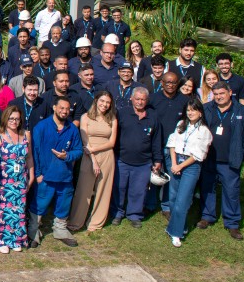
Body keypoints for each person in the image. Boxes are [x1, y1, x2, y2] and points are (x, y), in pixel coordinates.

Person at [199, 81, 244, 241]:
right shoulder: (207, 108)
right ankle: (207, 216)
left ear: (230, 93)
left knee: (231, 192)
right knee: (207, 188)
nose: (218, 97)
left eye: (222, 94)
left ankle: (232, 223)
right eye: (215, 94)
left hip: (230, 161)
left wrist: (242, 155)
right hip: (209, 158)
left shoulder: (242, 111)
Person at [29, 97, 83, 248]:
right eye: (62, 108)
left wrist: (68, 156)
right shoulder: (41, 127)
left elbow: (78, 150)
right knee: (39, 204)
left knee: (63, 204)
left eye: (67, 109)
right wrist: (38, 174)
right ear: (54, 107)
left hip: (65, 176)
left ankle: (60, 229)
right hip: (45, 176)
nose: (64, 111)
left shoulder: (72, 128)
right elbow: (35, 152)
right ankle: (33, 230)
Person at [112, 87, 164, 228]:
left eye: (143, 99)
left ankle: (134, 214)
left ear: (147, 100)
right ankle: (117, 213)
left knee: (138, 190)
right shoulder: (122, 113)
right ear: (131, 99)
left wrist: (157, 160)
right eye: (137, 99)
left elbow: (156, 140)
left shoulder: (153, 116)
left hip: (143, 162)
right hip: (122, 159)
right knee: (120, 188)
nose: (140, 102)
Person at [67, 92, 118, 233]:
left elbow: (112, 142)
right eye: (102, 101)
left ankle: (96, 223)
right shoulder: (85, 117)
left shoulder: (112, 119)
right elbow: (85, 141)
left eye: (108, 102)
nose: (104, 104)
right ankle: (76, 222)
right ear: (96, 101)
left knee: (104, 189)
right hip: (88, 156)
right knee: (84, 189)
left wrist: (94, 149)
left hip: (107, 155)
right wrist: (93, 158)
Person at [165, 100, 212, 247]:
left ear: (200, 112)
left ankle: (175, 233)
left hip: (190, 166)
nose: (190, 113)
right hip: (176, 161)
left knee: (182, 200)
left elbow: (199, 154)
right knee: (172, 197)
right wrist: (174, 164)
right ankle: (180, 226)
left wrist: (181, 166)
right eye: (188, 110)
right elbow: (172, 143)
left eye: (194, 110)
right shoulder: (181, 125)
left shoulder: (204, 131)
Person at [0, 106, 34, 253]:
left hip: (20, 180)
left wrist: (31, 176)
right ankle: (1, 240)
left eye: (17, 118)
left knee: (18, 211)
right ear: (5, 119)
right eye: (11, 118)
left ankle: (16, 239)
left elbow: (29, 157)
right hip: (2, 180)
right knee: (2, 211)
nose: (14, 121)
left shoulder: (26, 134)